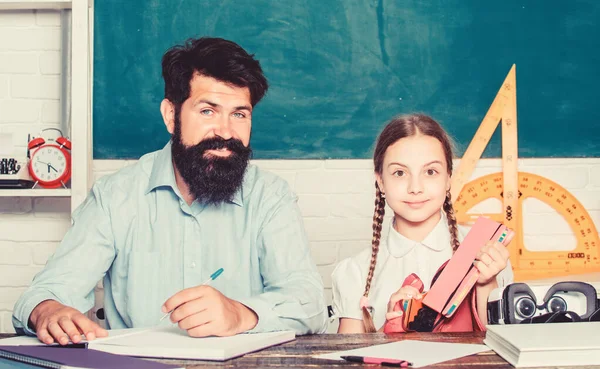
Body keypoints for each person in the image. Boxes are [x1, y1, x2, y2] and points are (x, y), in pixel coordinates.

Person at [13, 37, 327, 344]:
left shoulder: (270, 196)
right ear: (170, 116)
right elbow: (47, 292)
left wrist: (241, 314)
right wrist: (50, 312)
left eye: (239, 114)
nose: (226, 131)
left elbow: (309, 301)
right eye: (207, 111)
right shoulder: (115, 196)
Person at [331, 113, 513, 333]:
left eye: (430, 172)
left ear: (448, 178)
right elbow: (348, 360)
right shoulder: (354, 272)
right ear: (380, 181)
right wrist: (388, 331)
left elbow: (504, 349)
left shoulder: (488, 254)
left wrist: (486, 283)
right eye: (399, 172)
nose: (415, 187)